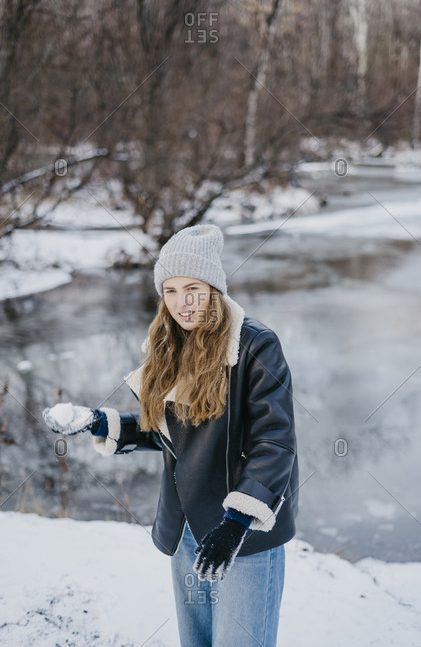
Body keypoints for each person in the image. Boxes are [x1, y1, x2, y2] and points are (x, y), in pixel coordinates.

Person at [43, 224, 299, 647]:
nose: (182, 302)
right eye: (171, 290)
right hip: (187, 531)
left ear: (213, 289)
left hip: (243, 536)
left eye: (193, 288)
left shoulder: (255, 345)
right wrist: (95, 421)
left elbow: (275, 442)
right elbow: (165, 431)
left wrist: (235, 523)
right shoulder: (168, 345)